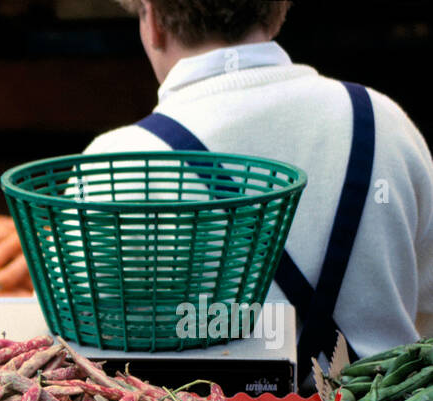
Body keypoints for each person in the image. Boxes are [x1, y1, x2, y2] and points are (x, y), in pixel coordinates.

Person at [86, 0, 433, 370]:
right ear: (277, 11)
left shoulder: (112, 164)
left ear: (152, 19)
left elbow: (85, 357)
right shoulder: (386, 125)